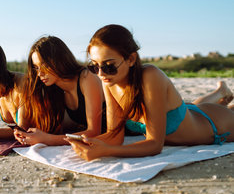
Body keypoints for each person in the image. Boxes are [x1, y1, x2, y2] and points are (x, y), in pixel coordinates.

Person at [67, 24, 234, 161]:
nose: (101, 73)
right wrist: (85, 142)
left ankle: (222, 95)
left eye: (109, 65)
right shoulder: (110, 81)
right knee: (190, 107)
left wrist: (106, 151)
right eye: (94, 66)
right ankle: (221, 92)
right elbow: (114, 136)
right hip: (191, 113)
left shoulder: (150, 76)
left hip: (217, 124)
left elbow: (154, 144)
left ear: (131, 59)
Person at [14, 36, 106, 146]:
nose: (40, 73)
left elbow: (94, 132)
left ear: (59, 60)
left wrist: (46, 139)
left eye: (44, 65)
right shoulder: (56, 90)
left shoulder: (87, 78)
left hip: (128, 128)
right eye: (36, 68)